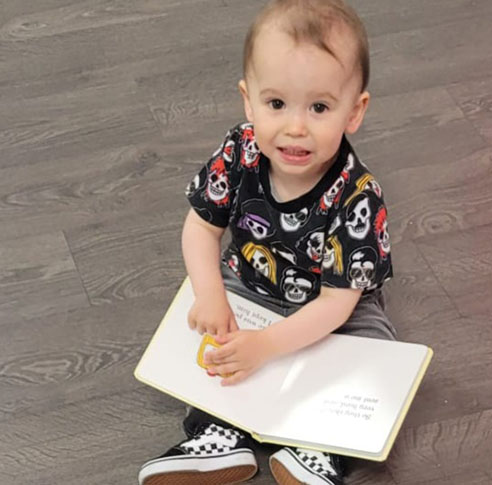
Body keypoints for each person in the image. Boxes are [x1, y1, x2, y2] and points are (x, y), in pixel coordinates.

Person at [138, 1, 396, 484]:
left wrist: (270, 344)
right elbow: (200, 227)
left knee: (371, 348)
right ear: (248, 100)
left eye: (319, 107)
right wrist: (211, 294)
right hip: (253, 281)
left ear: (355, 110)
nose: (295, 127)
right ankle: (218, 436)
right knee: (208, 334)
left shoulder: (359, 195)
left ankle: (316, 445)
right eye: (276, 104)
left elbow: (340, 302)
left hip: (331, 304)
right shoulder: (239, 151)